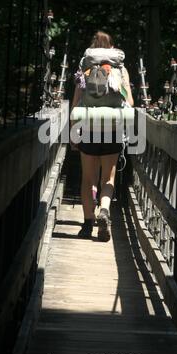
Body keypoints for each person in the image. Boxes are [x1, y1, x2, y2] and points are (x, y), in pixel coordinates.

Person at [70, 31, 134, 242]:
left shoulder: (85, 66)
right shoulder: (120, 69)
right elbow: (131, 103)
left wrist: (73, 132)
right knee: (108, 178)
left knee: (88, 178)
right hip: (113, 129)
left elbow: (76, 101)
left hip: (88, 127)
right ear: (112, 47)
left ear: (93, 47)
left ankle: (87, 224)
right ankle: (104, 209)